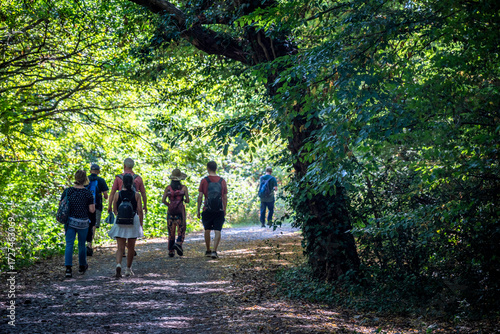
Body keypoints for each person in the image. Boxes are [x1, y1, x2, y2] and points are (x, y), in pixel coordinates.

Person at [108, 157, 147, 257]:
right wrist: (144, 206)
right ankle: (130, 248)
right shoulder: (138, 178)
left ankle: (122, 250)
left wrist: (110, 207)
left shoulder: (118, 178)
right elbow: (143, 193)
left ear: (124, 165)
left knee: (121, 227)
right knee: (131, 227)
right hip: (133, 207)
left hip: (120, 208)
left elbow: (112, 193)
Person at [108, 174, 144, 278]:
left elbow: (115, 210)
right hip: (133, 221)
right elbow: (140, 211)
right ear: (132, 182)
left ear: (123, 182)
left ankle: (118, 264)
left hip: (120, 221)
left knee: (120, 247)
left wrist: (120, 215)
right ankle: (128, 269)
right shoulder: (137, 195)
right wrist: (140, 224)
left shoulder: (118, 194)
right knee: (131, 247)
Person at [61, 170, 95, 278]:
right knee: (81, 244)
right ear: (85, 179)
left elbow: (61, 205)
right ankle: (81, 266)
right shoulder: (87, 193)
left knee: (69, 244)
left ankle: (68, 269)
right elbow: (92, 210)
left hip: (70, 222)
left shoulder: (68, 191)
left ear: (75, 178)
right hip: (83, 223)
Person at [197, 161, 228, 259]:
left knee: (207, 229)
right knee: (218, 230)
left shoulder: (204, 180)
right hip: (219, 209)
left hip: (207, 209)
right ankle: (215, 251)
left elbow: (200, 196)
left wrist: (198, 210)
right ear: (216, 168)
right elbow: (225, 197)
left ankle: (208, 250)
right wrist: (224, 208)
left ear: (208, 168)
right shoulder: (222, 181)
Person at [162, 169, 190, 257]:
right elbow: (188, 200)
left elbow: (163, 200)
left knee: (171, 230)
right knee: (181, 228)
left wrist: (170, 205)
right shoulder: (184, 188)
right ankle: (178, 243)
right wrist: (183, 200)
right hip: (180, 211)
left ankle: (171, 251)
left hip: (170, 211)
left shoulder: (168, 188)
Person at [86, 164, 109, 256]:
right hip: (97, 205)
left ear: (91, 171)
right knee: (94, 225)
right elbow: (106, 196)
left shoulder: (86, 179)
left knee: (86, 224)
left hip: (86, 206)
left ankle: (84, 243)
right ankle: (89, 244)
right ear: (98, 171)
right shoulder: (101, 180)